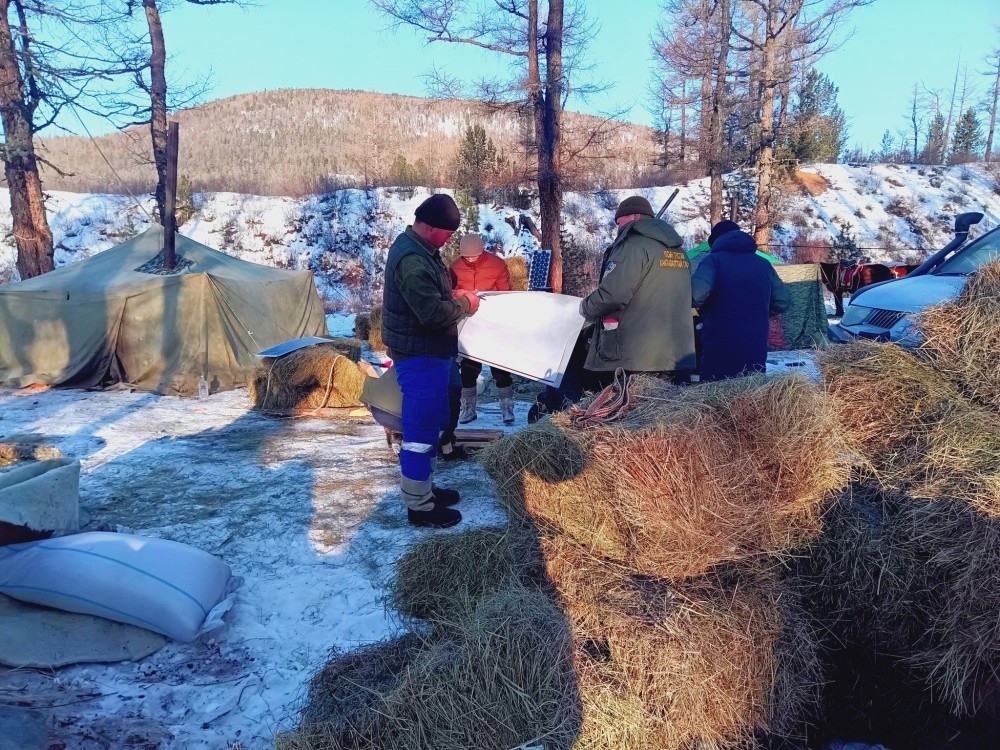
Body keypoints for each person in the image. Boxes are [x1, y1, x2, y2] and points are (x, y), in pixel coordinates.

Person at [381, 193, 480, 528]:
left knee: (431, 425)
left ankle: (425, 487)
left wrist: (450, 295)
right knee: (419, 432)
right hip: (419, 356)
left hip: (429, 353)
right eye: (447, 234)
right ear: (430, 226)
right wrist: (464, 305)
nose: (449, 240)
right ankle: (420, 507)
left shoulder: (421, 249)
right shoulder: (412, 259)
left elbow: (428, 296)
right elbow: (432, 314)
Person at [580, 195, 697, 386]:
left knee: (626, 402)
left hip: (637, 351)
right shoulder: (679, 252)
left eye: (619, 221)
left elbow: (613, 295)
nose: (618, 227)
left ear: (635, 216)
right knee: (660, 402)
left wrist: (584, 307)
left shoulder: (632, 246)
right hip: (675, 351)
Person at [690, 227, 792, 382]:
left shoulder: (713, 261)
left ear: (715, 243)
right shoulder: (763, 264)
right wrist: (759, 312)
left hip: (719, 339)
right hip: (755, 340)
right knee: (751, 388)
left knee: (716, 390)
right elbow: (783, 301)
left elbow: (695, 295)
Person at [449, 234, 516, 425]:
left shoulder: (497, 264)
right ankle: (468, 409)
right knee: (468, 368)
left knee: (501, 368)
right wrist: (461, 294)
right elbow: (449, 292)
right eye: (466, 257)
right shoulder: (454, 267)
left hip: (494, 322)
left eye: (474, 256)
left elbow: (506, 293)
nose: (470, 259)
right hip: (469, 322)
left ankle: (507, 409)